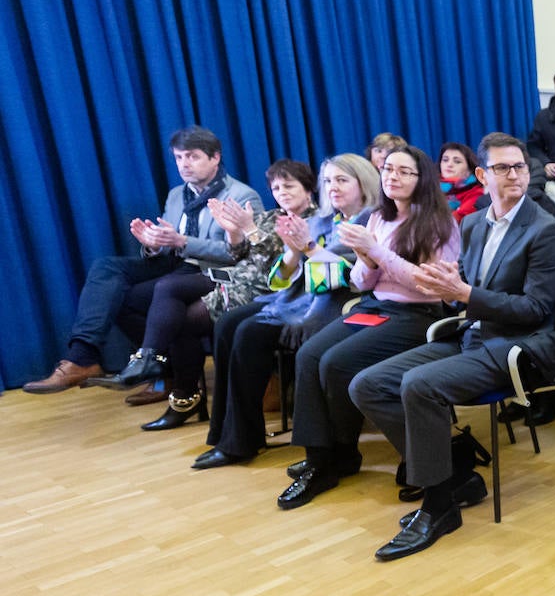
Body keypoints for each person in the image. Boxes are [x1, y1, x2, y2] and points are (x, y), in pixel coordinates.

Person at [347, 134, 555, 558]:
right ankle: (454, 474)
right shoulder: (474, 222)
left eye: (519, 166)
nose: (514, 175)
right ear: (483, 176)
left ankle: (440, 506)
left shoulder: (546, 230)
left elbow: (536, 308)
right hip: (471, 336)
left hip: (514, 347)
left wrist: (466, 293)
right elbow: (465, 284)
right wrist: (448, 285)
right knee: (366, 385)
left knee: (418, 385)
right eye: (502, 168)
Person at [276, 144, 461, 510]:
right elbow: (362, 283)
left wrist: (376, 252)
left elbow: (429, 285)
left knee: (336, 362)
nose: (392, 177)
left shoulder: (440, 223)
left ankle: (340, 454)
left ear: (422, 178)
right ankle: (322, 457)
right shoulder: (378, 218)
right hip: (376, 306)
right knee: (310, 353)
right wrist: (364, 257)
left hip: (418, 314)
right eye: (388, 170)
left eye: (403, 171)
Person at [23, 126, 262, 394]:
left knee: (157, 290)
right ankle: (84, 356)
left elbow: (246, 254)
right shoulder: (176, 194)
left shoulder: (241, 195)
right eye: (179, 158)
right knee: (109, 277)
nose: (184, 165)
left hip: (215, 272)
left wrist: (182, 241)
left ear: (215, 157)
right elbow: (168, 242)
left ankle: (161, 370)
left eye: (192, 157)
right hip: (176, 263)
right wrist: (153, 245)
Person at [89, 160, 319, 433]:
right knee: (168, 288)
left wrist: (250, 230)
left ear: (308, 189)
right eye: (276, 187)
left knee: (179, 316)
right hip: (235, 277)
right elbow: (237, 256)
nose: (282, 192)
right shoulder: (270, 216)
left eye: (289, 186)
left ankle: (176, 391)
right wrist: (234, 232)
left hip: (268, 290)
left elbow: (274, 267)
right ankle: (151, 363)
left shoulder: (315, 220)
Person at [193, 154, 381, 469]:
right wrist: (295, 253)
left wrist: (305, 251)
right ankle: (229, 434)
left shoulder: (370, 221)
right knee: (227, 323)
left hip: (338, 304)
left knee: (249, 331)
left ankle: (240, 442)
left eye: (342, 180)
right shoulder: (320, 221)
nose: (332, 187)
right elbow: (280, 279)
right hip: (299, 299)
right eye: (329, 181)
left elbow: (344, 278)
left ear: (364, 183)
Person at [438, 142, 483, 222]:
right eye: (445, 160)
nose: (449, 164)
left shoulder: (477, 193)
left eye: (457, 161)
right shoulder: (430, 188)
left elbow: (457, 221)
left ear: (469, 170)